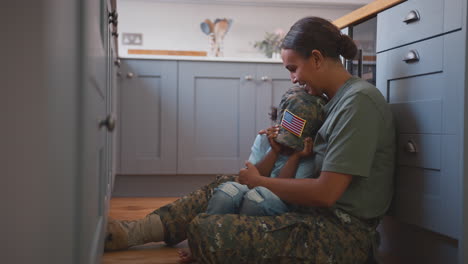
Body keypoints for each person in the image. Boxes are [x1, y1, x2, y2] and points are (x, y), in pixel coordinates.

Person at [105, 16, 396, 264]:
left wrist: (260, 182)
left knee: (207, 230)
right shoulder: (327, 102)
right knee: (225, 186)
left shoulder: (359, 102)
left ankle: (212, 242)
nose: (293, 79)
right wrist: (275, 157)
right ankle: (132, 232)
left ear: (317, 58)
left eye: (293, 68)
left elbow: (325, 193)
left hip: (341, 233)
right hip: (310, 213)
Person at [206, 87, 326, 217]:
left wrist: (295, 157)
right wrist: (274, 152)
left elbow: (284, 191)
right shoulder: (265, 139)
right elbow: (250, 179)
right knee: (226, 193)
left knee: (256, 199)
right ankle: (213, 231)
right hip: (252, 187)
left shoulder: (307, 155)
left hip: (282, 201)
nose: (287, 146)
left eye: (293, 143)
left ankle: (243, 233)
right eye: (285, 139)